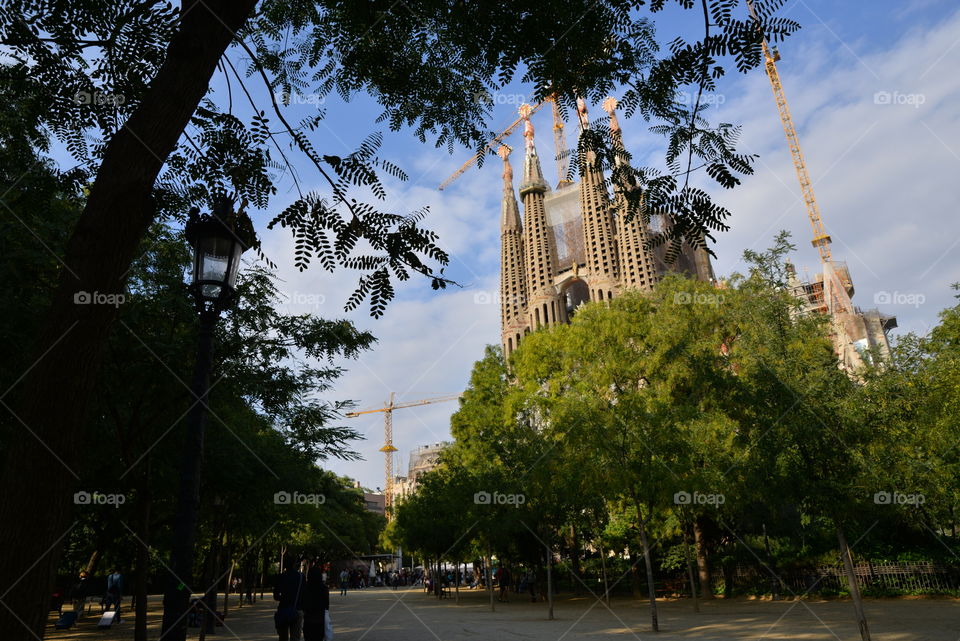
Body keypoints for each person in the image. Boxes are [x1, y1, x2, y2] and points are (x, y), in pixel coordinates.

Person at [274, 558, 304, 641]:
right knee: (295, 638)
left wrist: (284, 598)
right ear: (294, 564)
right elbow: (304, 594)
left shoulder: (280, 577)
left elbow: (275, 596)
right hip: (297, 609)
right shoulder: (301, 577)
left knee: (283, 638)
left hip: (283, 609)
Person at [301, 566, 330, 641]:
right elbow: (327, 606)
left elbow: (302, 604)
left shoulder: (305, 588)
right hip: (320, 621)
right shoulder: (324, 589)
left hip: (308, 620)